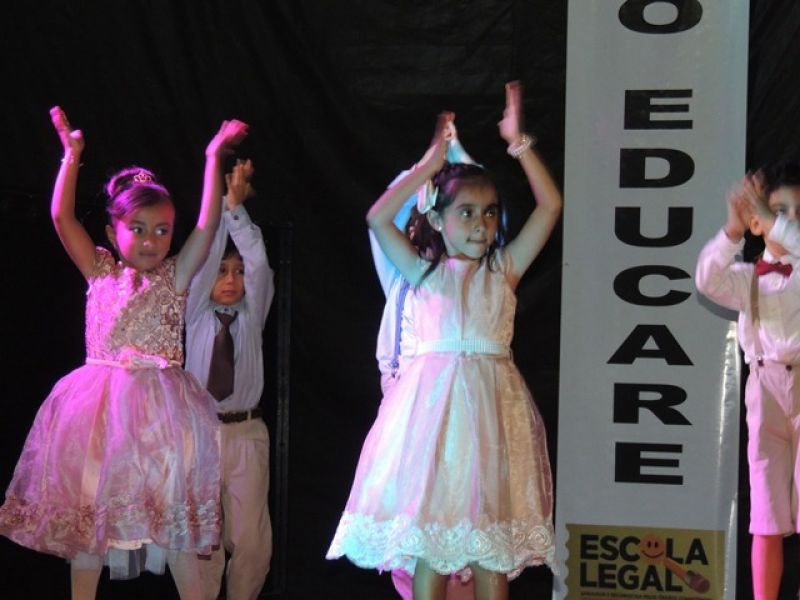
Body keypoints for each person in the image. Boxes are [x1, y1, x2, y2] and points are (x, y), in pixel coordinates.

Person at [0, 106, 248, 600]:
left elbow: (206, 225)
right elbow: (61, 217)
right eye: (138, 228)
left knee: (174, 525)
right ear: (114, 233)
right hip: (100, 415)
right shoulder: (100, 272)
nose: (152, 240)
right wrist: (71, 157)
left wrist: (213, 157)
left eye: (162, 230)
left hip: (163, 420)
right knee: (91, 525)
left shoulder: (176, 277)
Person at [327, 81, 561, 600]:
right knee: (431, 543)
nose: (481, 225)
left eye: (490, 212)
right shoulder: (423, 274)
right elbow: (376, 217)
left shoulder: (502, 272)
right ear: (437, 218)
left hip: (492, 418)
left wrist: (519, 143)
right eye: (466, 212)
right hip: (433, 424)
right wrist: (430, 166)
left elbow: (550, 206)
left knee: (488, 549)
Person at [371, 124, 478, 600]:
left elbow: (484, 206)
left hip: (461, 420)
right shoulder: (402, 273)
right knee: (412, 545)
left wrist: (458, 158)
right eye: (420, 220)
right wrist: (428, 165)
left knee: (462, 540)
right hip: (406, 422)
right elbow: (385, 213)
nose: (425, 230)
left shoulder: (476, 276)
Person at [695, 162, 800, 600]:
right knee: (766, 512)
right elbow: (706, 279)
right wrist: (733, 230)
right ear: (757, 222)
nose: (785, 221)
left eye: (796, 214)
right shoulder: (747, 278)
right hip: (764, 391)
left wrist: (773, 219)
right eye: (778, 211)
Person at [185, 158, 274, 600]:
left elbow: (258, 263)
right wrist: (221, 209)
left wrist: (236, 210)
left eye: (236, 272)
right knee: (203, 540)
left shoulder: (252, 316)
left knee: (251, 541)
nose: (231, 280)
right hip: (200, 432)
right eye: (223, 271)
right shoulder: (195, 313)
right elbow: (200, 262)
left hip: (245, 433)